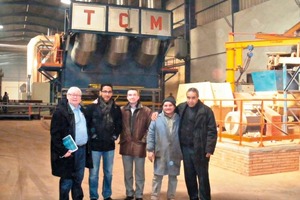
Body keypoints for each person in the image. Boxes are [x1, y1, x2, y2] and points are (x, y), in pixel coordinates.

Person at [50, 86, 92, 200]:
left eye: (77, 95)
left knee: (78, 178)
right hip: (69, 152)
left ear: (81, 97)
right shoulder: (60, 113)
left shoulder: (83, 111)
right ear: (67, 96)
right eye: (72, 94)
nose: (75, 97)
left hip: (82, 150)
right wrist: (63, 151)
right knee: (67, 180)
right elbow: (55, 135)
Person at [178, 87, 217, 200]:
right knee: (189, 176)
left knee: (202, 177)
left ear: (198, 97)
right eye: (189, 98)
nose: (191, 100)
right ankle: (193, 197)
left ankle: (204, 198)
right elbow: (168, 110)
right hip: (186, 149)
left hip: (200, 149)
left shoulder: (206, 111)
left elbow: (212, 131)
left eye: (193, 98)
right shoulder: (182, 108)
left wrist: (209, 149)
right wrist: (156, 113)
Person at [85, 83, 122, 200]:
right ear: (100, 92)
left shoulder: (116, 109)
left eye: (109, 92)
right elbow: (87, 123)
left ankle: (107, 195)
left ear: (112, 93)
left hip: (109, 146)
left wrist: (115, 136)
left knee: (108, 173)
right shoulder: (92, 108)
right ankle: (93, 196)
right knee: (94, 174)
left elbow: (119, 124)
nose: (107, 94)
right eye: (105, 91)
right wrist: (93, 135)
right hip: (95, 146)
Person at [119, 89, 152, 200]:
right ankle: (129, 193)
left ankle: (139, 194)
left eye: (134, 95)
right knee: (127, 173)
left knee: (139, 173)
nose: (132, 97)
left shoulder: (146, 111)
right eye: (129, 95)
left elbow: (150, 128)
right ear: (127, 97)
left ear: (138, 97)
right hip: (126, 145)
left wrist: (143, 140)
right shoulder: (121, 110)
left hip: (139, 146)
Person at [146, 96, 182, 200]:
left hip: (175, 152)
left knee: (173, 176)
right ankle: (154, 195)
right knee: (157, 175)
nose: (168, 107)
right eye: (165, 105)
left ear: (174, 106)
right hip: (160, 151)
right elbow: (151, 134)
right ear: (162, 107)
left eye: (170, 105)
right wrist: (150, 150)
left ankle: (171, 196)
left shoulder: (179, 119)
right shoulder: (156, 119)